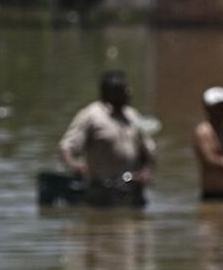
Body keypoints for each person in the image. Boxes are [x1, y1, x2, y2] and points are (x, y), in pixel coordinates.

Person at [59, 70, 157, 207]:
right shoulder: (91, 116)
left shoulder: (133, 116)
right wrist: (75, 164)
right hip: (102, 192)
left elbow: (149, 153)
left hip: (133, 191)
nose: (129, 92)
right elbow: (67, 147)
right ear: (111, 93)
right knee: (103, 224)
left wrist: (146, 173)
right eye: (124, 89)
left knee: (135, 225)